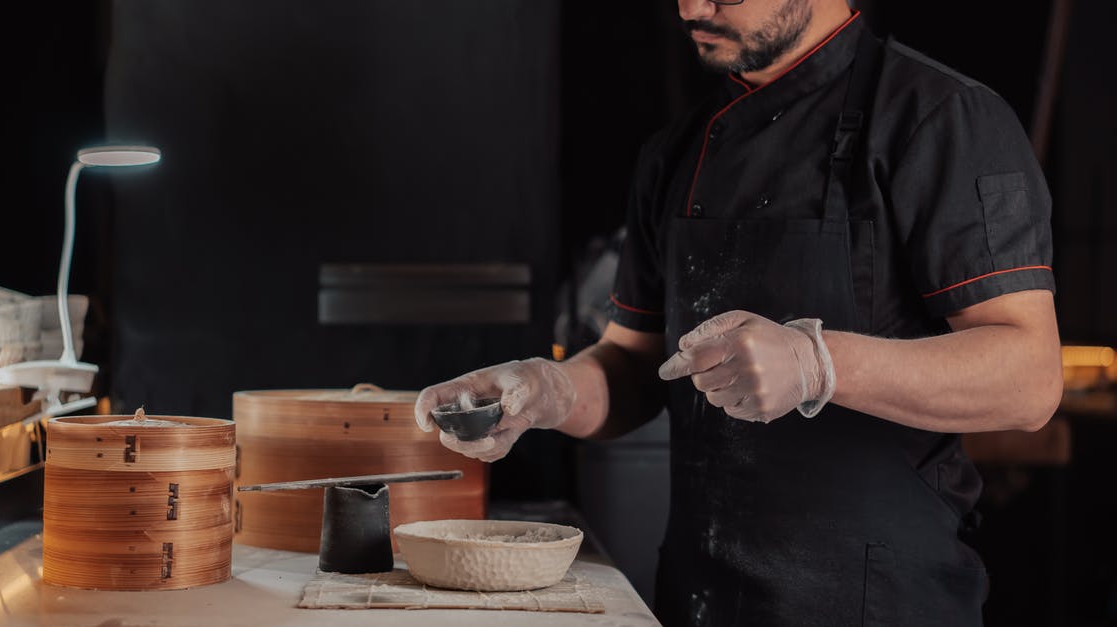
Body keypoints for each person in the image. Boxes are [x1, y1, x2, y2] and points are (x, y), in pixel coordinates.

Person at [414, 1, 1062, 625]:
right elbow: (637, 366)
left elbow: (1029, 377)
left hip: (876, 602)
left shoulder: (943, 119)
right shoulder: (677, 153)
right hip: (703, 596)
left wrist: (816, 362)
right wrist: (545, 390)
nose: (692, 8)